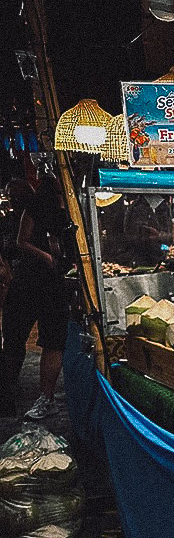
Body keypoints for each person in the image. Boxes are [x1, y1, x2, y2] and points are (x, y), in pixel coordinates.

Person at [3, 175, 73, 420]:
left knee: (50, 341)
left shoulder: (67, 210)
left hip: (49, 284)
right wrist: (47, 257)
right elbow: (21, 241)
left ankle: (43, 398)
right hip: (31, 282)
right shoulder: (35, 208)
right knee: (16, 341)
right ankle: (8, 396)